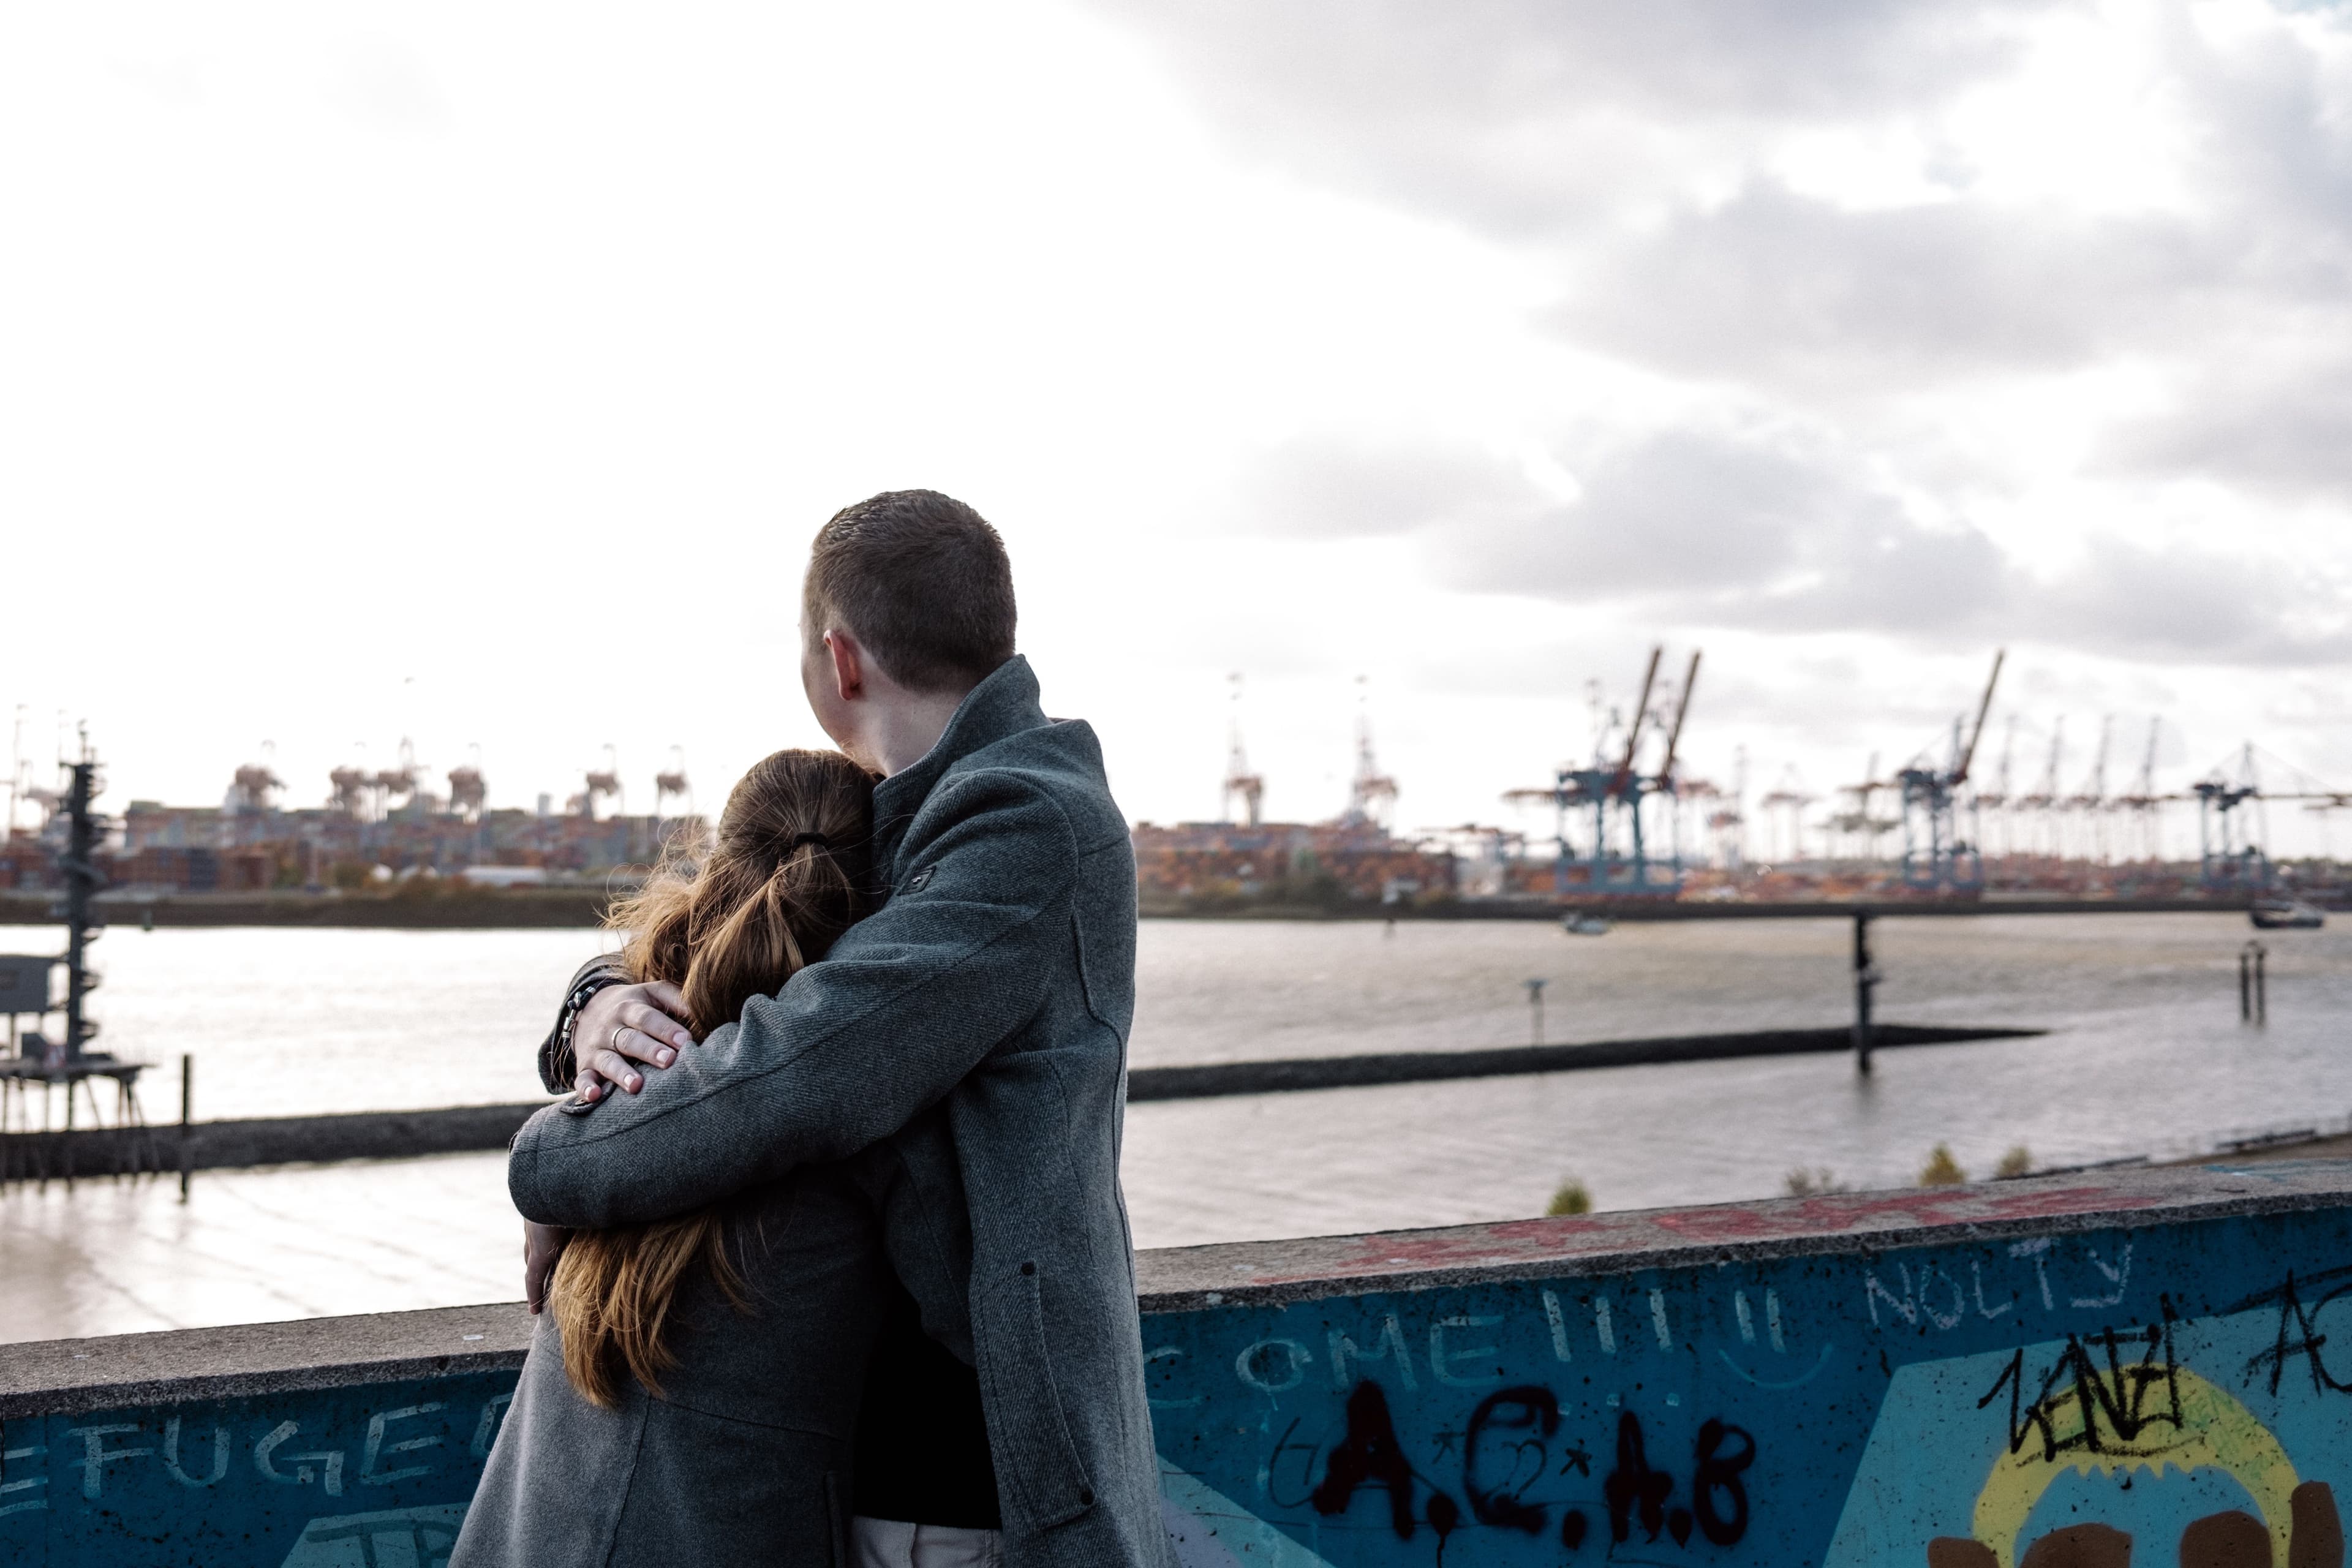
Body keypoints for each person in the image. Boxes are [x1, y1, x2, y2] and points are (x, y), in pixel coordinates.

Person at [507, 491, 1176, 1568]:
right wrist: (598, 1002)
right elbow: (736, 957)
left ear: (840, 660)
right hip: (867, 1452)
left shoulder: (1021, 819)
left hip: (967, 1479)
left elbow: (802, 1069)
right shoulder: (913, 809)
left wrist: (563, 1163)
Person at [456, 748, 982, 1567]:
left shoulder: (636, 1049)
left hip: (532, 1530)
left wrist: (589, 1009)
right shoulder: (864, 1108)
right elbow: (972, 1316)